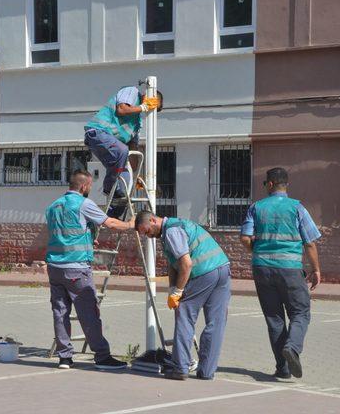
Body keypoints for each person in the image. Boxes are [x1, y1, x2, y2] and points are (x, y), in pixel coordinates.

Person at [45, 170, 135, 370]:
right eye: (90, 187)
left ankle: (65, 358)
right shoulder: (83, 204)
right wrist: (130, 224)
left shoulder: (53, 206)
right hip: (76, 267)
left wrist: (87, 236)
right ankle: (102, 356)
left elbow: (64, 232)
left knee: (60, 313)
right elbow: (110, 222)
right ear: (84, 186)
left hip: (55, 267)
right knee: (89, 313)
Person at [240, 167, 322, 379]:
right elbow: (310, 243)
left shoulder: (256, 207)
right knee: (300, 312)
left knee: (274, 319)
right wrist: (316, 269)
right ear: (286, 185)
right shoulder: (297, 208)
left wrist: (257, 251)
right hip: (290, 270)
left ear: (269, 184)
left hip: (262, 269)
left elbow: (245, 239)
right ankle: (293, 348)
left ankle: (283, 369)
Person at [135, 211, 231, 381]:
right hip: (222, 269)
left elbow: (186, 264)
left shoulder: (171, 232)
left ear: (152, 220)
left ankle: (181, 368)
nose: (147, 236)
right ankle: (206, 371)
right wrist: (172, 289)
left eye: (147, 231)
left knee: (184, 315)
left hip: (204, 272)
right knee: (216, 322)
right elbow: (174, 264)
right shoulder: (177, 226)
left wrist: (179, 292)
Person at [84, 85, 163, 217]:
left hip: (110, 145)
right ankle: (109, 189)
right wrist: (143, 106)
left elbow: (133, 150)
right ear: (147, 96)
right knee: (122, 150)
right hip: (97, 132)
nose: (149, 107)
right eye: (151, 103)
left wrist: (135, 176)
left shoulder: (137, 124)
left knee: (126, 183)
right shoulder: (131, 92)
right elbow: (121, 109)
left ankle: (114, 213)